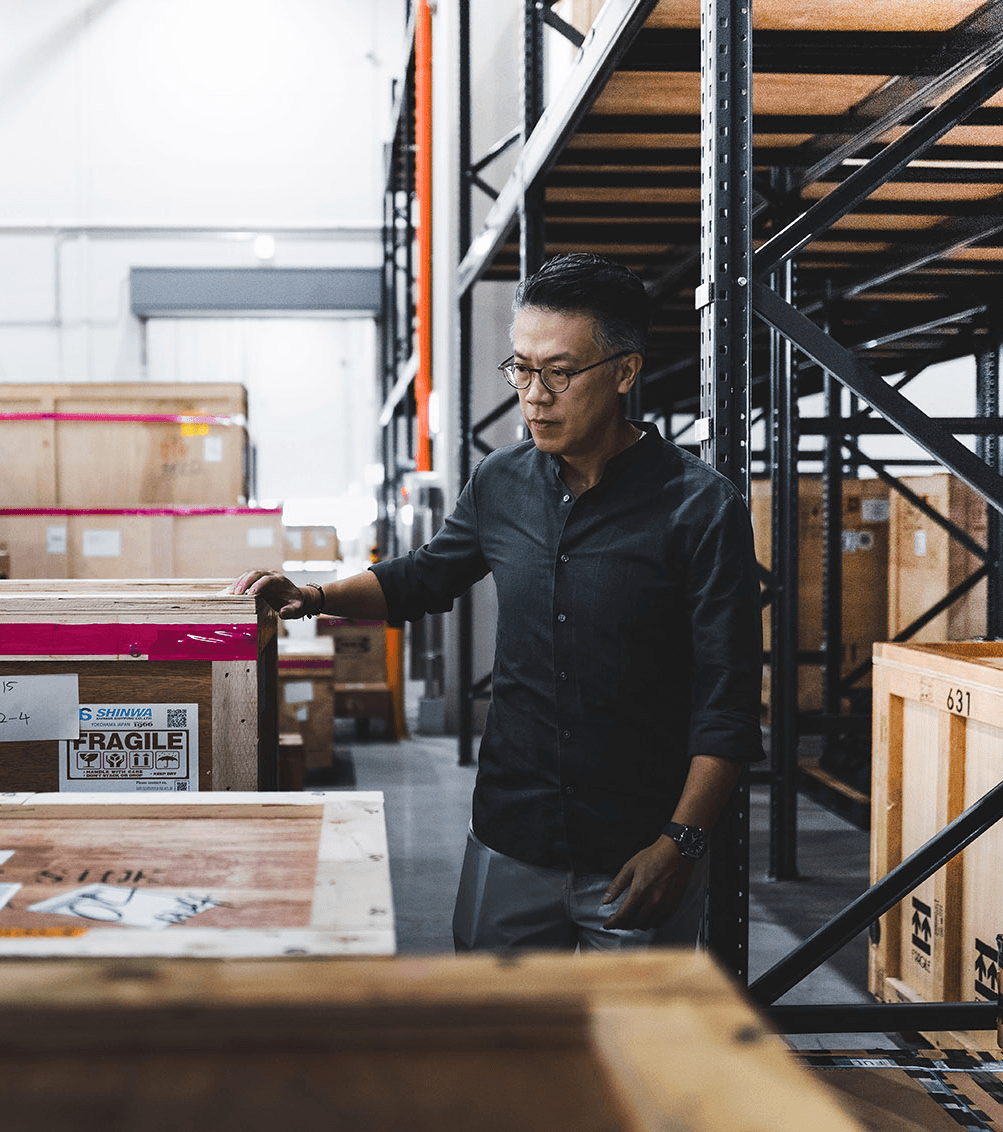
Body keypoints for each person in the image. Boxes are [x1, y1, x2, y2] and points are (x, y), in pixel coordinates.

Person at [233, 252, 762, 951]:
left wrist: (681, 842)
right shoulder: (501, 482)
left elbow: (727, 701)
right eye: (520, 368)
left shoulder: (701, 508)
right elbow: (427, 574)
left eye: (559, 372)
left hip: (637, 848)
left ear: (625, 372)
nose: (534, 394)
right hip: (512, 832)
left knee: (630, 1051)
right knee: (497, 1047)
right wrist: (311, 595)